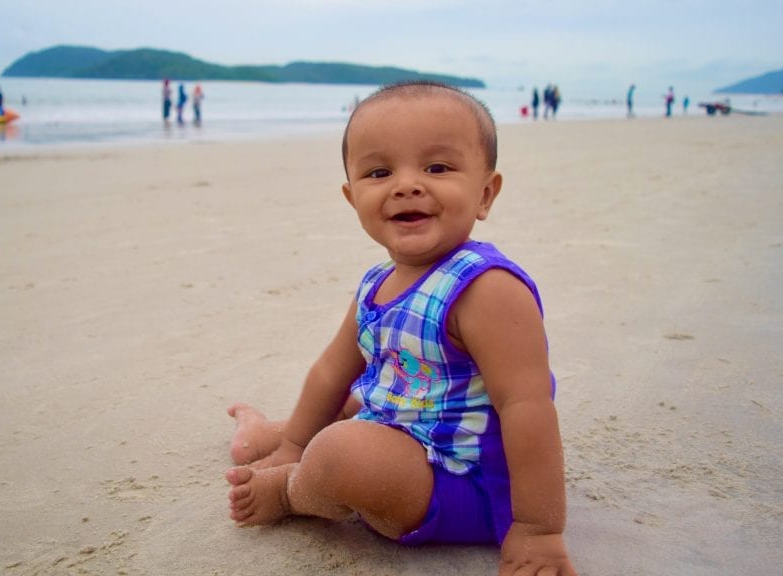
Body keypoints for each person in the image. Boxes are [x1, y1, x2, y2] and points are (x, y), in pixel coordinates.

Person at [225, 81, 576, 575]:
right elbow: (332, 370)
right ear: (353, 199)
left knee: (342, 450)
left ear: (485, 192)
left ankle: (290, 490)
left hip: (458, 479)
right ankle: (263, 436)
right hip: (397, 425)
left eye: (437, 167)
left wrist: (539, 528)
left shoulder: (486, 289)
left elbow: (527, 406)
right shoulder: (375, 282)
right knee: (338, 405)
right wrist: (292, 444)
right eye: (379, 171)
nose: (406, 185)